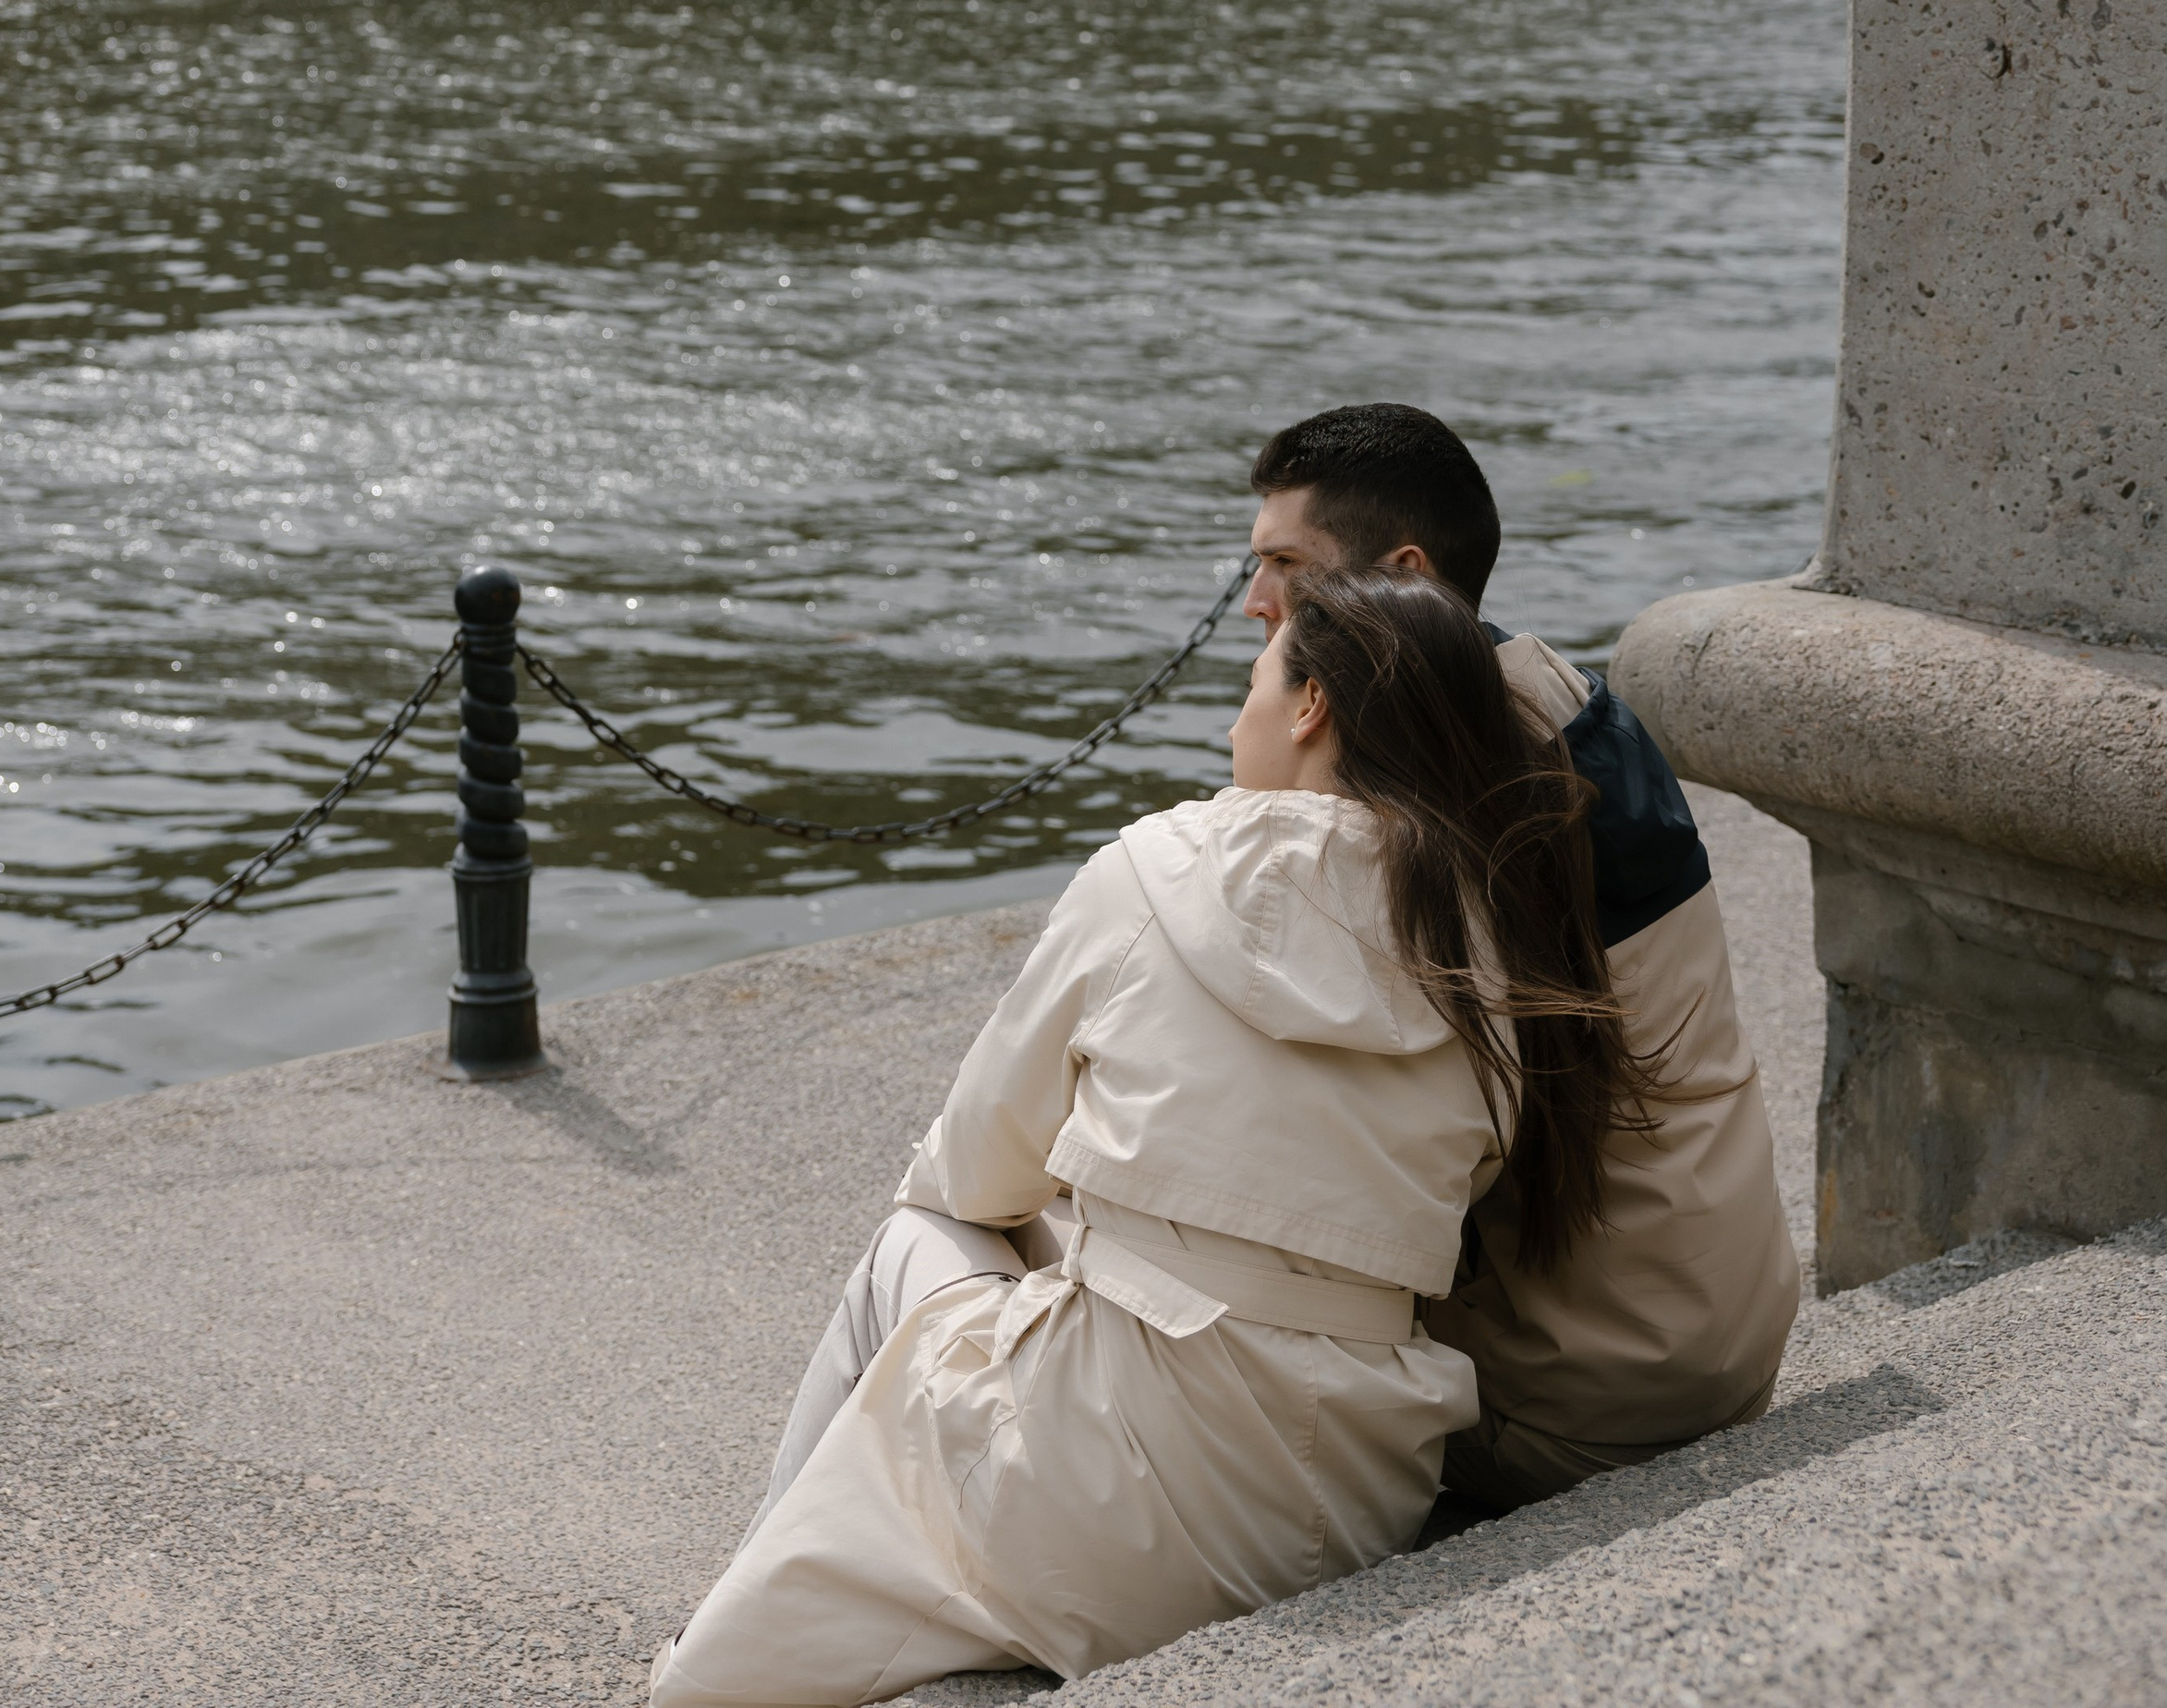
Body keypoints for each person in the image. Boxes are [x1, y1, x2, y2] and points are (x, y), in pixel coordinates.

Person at [651, 569, 1652, 1708]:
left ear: (1311, 703)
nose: (1235, 719)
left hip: (1112, 1509)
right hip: (1354, 1500)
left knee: (915, 1236)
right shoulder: (1494, 937)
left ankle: (750, 1593)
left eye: (1254, 680)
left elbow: (972, 1175)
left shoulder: (1153, 870)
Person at [1243, 401, 1800, 1514]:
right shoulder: (1557, 700)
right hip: (1712, 1330)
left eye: (1286, 566)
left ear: (1404, 573)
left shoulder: (1442, 790)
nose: (1258, 600)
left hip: (1574, 1396)